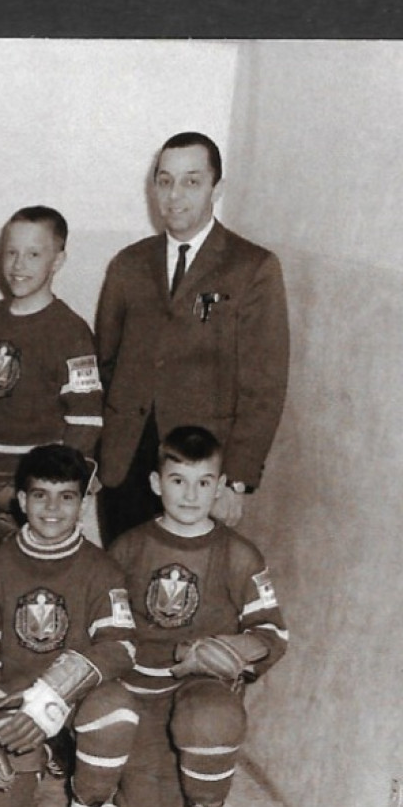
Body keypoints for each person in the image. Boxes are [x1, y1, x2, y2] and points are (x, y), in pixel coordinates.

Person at [106, 425, 287, 807]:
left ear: (220, 487)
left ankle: (208, 806)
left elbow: (272, 635)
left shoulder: (239, 553)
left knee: (214, 714)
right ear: (155, 483)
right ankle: (154, 763)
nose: (190, 495)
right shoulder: (127, 547)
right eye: (178, 481)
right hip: (141, 686)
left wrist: (226, 648)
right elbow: (101, 623)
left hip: (199, 685)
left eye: (204, 483)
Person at [95, 131, 290, 542]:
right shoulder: (127, 264)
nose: (174, 195)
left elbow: (263, 386)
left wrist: (235, 479)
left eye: (191, 181)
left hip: (201, 473)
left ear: (217, 189)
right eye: (164, 181)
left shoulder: (253, 267)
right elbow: (105, 362)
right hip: (127, 462)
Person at [0, 444, 140, 807]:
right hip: (15, 702)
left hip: (73, 696)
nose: (53, 508)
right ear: (22, 501)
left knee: (119, 711)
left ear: (82, 503)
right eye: (40, 495)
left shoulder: (102, 568)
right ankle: (45, 752)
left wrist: (52, 696)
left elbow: (122, 647)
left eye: (67, 496)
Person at [0, 206, 103, 569]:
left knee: (28, 575)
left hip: (30, 490)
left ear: (58, 260)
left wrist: (43, 485)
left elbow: (86, 422)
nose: (18, 264)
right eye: (11, 252)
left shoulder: (71, 331)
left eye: (33, 254)